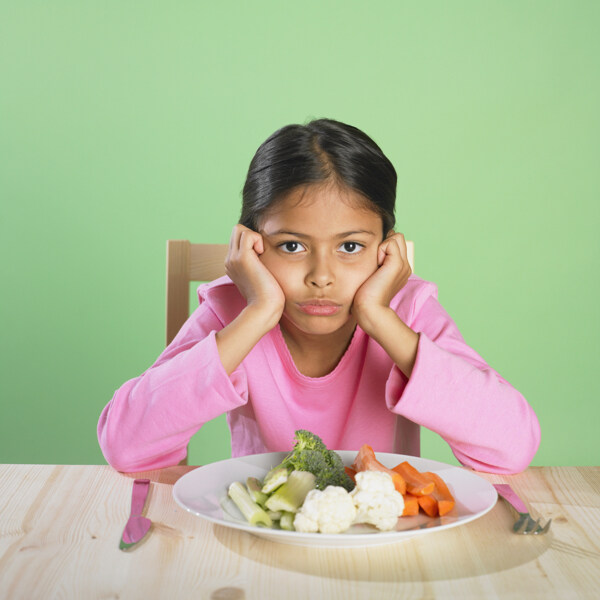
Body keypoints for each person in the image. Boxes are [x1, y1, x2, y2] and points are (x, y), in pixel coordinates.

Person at [98, 118, 540, 474]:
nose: (322, 277)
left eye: (350, 247)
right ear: (251, 246)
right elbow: (126, 447)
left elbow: (512, 447)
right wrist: (259, 312)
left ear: (388, 250)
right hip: (264, 530)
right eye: (292, 246)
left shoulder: (408, 310)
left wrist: (379, 317)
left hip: (381, 541)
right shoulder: (234, 311)